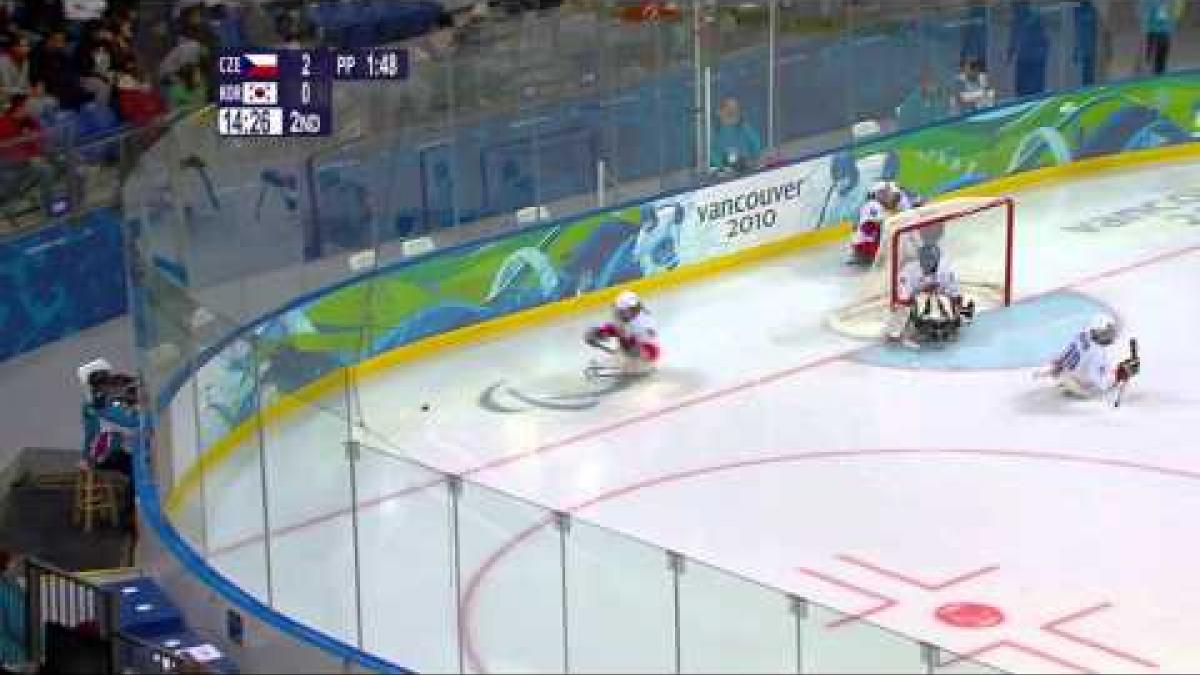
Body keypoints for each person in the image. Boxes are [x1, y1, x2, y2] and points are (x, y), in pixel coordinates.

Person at [885, 243, 975, 345]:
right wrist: (922, 292)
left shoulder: (948, 270)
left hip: (940, 299)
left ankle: (950, 322)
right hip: (917, 301)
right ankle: (894, 334)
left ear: (938, 259)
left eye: (932, 259)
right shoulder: (908, 271)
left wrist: (954, 308)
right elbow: (904, 299)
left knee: (962, 306)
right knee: (902, 312)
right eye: (925, 259)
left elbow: (956, 295)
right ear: (920, 259)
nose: (928, 262)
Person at [1035, 314, 1138, 398]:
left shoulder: (1082, 333)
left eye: (1109, 333)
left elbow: (1067, 349)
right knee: (1103, 385)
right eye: (1104, 333)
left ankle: (1064, 375)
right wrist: (1119, 375)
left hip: (1065, 368)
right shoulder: (1097, 353)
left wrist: (1059, 363)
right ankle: (1072, 384)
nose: (1108, 337)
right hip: (1078, 380)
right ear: (1095, 331)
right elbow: (1101, 383)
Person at [584, 290, 660, 372]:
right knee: (624, 343)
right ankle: (625, 361)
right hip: (634, 350)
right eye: (619, 311)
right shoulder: (628, 318)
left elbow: (648, 349)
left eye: (622, 311)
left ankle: (630, 364)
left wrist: (629, 359)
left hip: (646, 355)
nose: (618, 313)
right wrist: (598, 332)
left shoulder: (642, 324)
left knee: (629, 350)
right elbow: (615, 328)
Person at [710, 96, 763, 174]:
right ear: (719, 112)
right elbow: (712, 156)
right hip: (725, 177)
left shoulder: (744, 129)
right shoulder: (713, 133)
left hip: (747, 172)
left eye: (735, 108)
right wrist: (723, 168)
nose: (732, 111)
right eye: (727, 107)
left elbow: (757, 149)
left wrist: (753, 162)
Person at [1139, 0, 1185, 75]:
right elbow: (1145, 10)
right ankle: (1149, 72)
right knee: (1150, 59)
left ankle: (1158, 72)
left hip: (1164, 31)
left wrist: (1173, 21)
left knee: (1161, 59)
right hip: (1153, 31)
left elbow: (1177, 9)